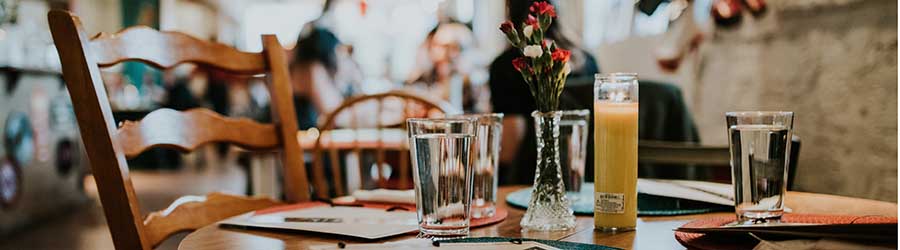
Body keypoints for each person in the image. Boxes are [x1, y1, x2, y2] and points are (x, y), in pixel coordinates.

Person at [488, 0, 600, 185]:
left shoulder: (506, 65)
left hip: (529, 182)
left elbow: (511, 142)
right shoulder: (587, 60)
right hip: (588, 178)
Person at [289, 0, 363, 129]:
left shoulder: (300, 67)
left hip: (304, 139)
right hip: (305, 142)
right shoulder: (311, 69)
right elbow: (334, 116)